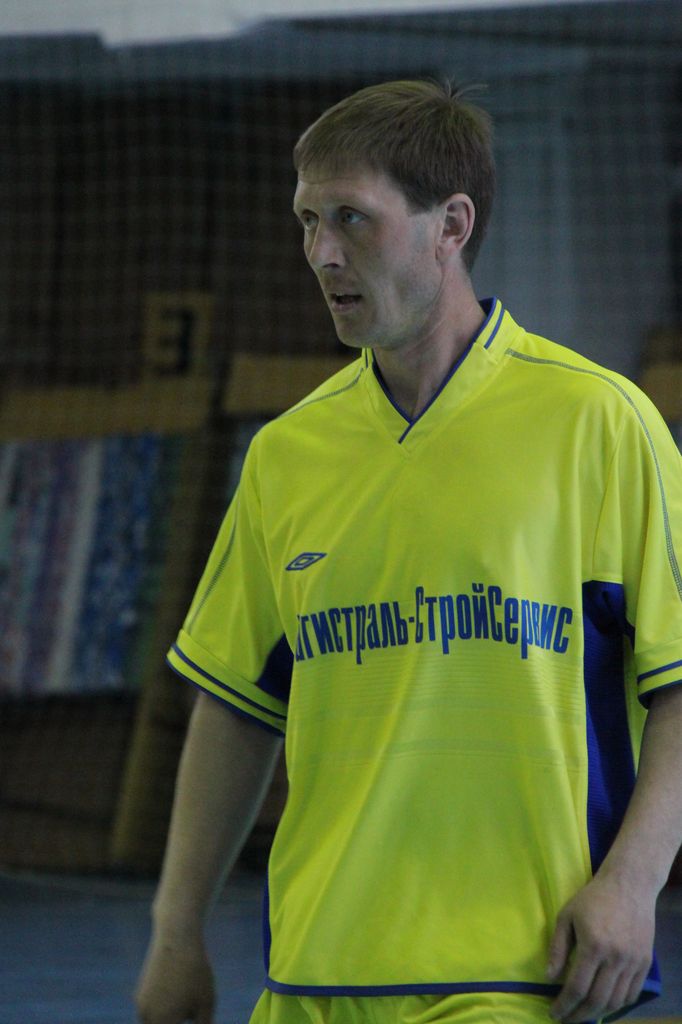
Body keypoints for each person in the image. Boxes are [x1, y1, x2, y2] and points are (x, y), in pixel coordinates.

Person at [135, 80, 682, 1024]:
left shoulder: (601, 423)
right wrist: (176, 934)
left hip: (521, 971)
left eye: (352, 218)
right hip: (312, 975)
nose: (322, 253)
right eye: (308, 221)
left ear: (451, 226)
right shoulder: (285, 455)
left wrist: (633, 884)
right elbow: (235, 706)